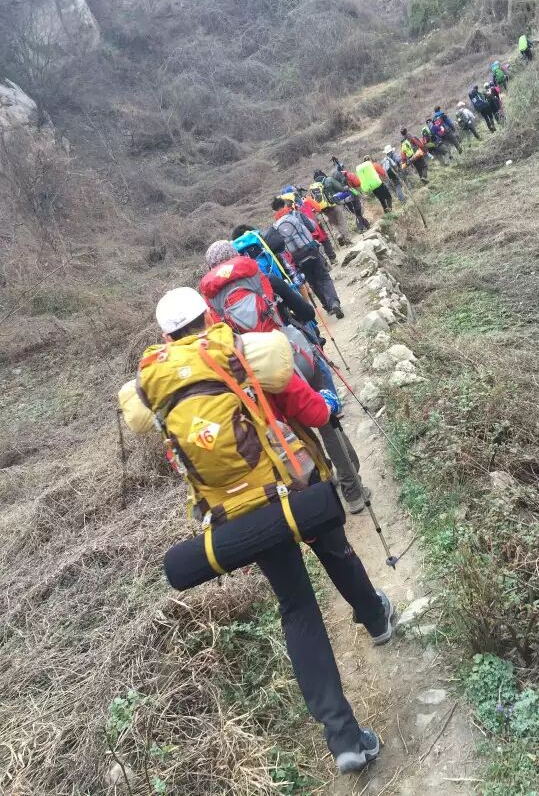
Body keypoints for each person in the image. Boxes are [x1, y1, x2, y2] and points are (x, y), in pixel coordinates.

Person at [139, 287, 394, 774]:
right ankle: (377, 619)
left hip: (238, 514)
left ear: (166, 337)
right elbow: (309, 408)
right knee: (336, 554)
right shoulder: (246, 353)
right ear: (209, 316)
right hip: (293, 487)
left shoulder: (155, 384)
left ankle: (343, 739)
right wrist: (327, 408)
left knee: (296, 605)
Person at [201, 240, 374, 515]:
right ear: (237, 258)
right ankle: (353, 491)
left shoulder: (212, 310)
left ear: (211, 269)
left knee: (297, 433)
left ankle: (324, 487)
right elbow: (306, 312)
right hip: (295, 360)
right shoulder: (264, 280)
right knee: (326, 420)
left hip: (259, 380)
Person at [271, 196, 344, 318]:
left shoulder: (275, 226)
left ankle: (327, 307)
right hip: (310, 249)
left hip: (296, 257)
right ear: (284, 205)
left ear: (274, 211)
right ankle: (334, 303)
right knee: (324, 277)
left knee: (312, 282)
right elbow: (312, 227)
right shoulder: (296, 214)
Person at [310, 170, 352, 245]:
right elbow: (340, 188)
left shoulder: (314, 187)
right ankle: (346, 238)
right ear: (323, 174)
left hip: (325, 209)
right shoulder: (329, 180)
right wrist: (345, 188)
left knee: (334, 224)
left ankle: (338, 235)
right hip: (334, 205)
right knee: (341, 222)